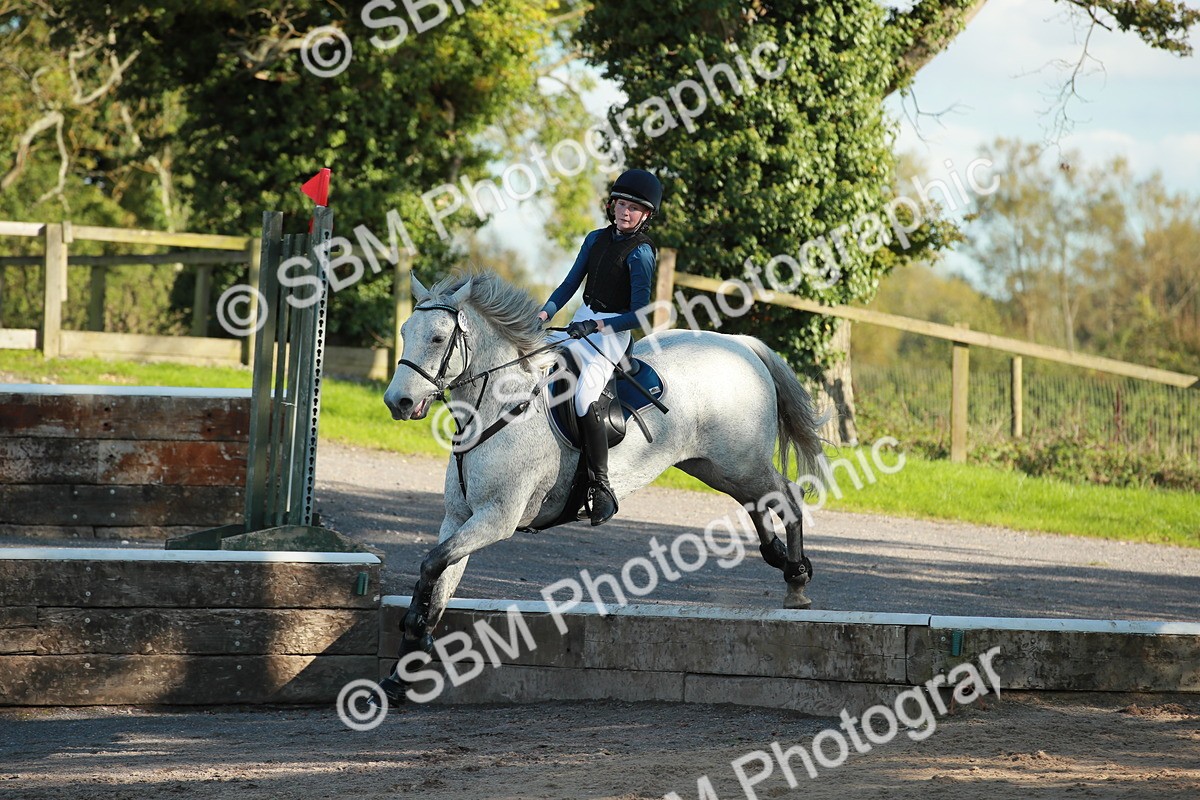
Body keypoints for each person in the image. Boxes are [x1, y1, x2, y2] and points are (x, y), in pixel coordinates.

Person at [538, 168, 663, 526]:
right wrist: (545, 312)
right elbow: (569, 284)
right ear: (612, 206)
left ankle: (601, 486)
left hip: (611, 331)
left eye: (634, 208)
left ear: (645, 215)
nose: (625, 212)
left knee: (583, 397)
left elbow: (639, 314)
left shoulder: (640, 254)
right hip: (582, 318)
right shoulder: (595, 239)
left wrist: (596, 324)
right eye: (621, 204)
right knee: (535, 360)